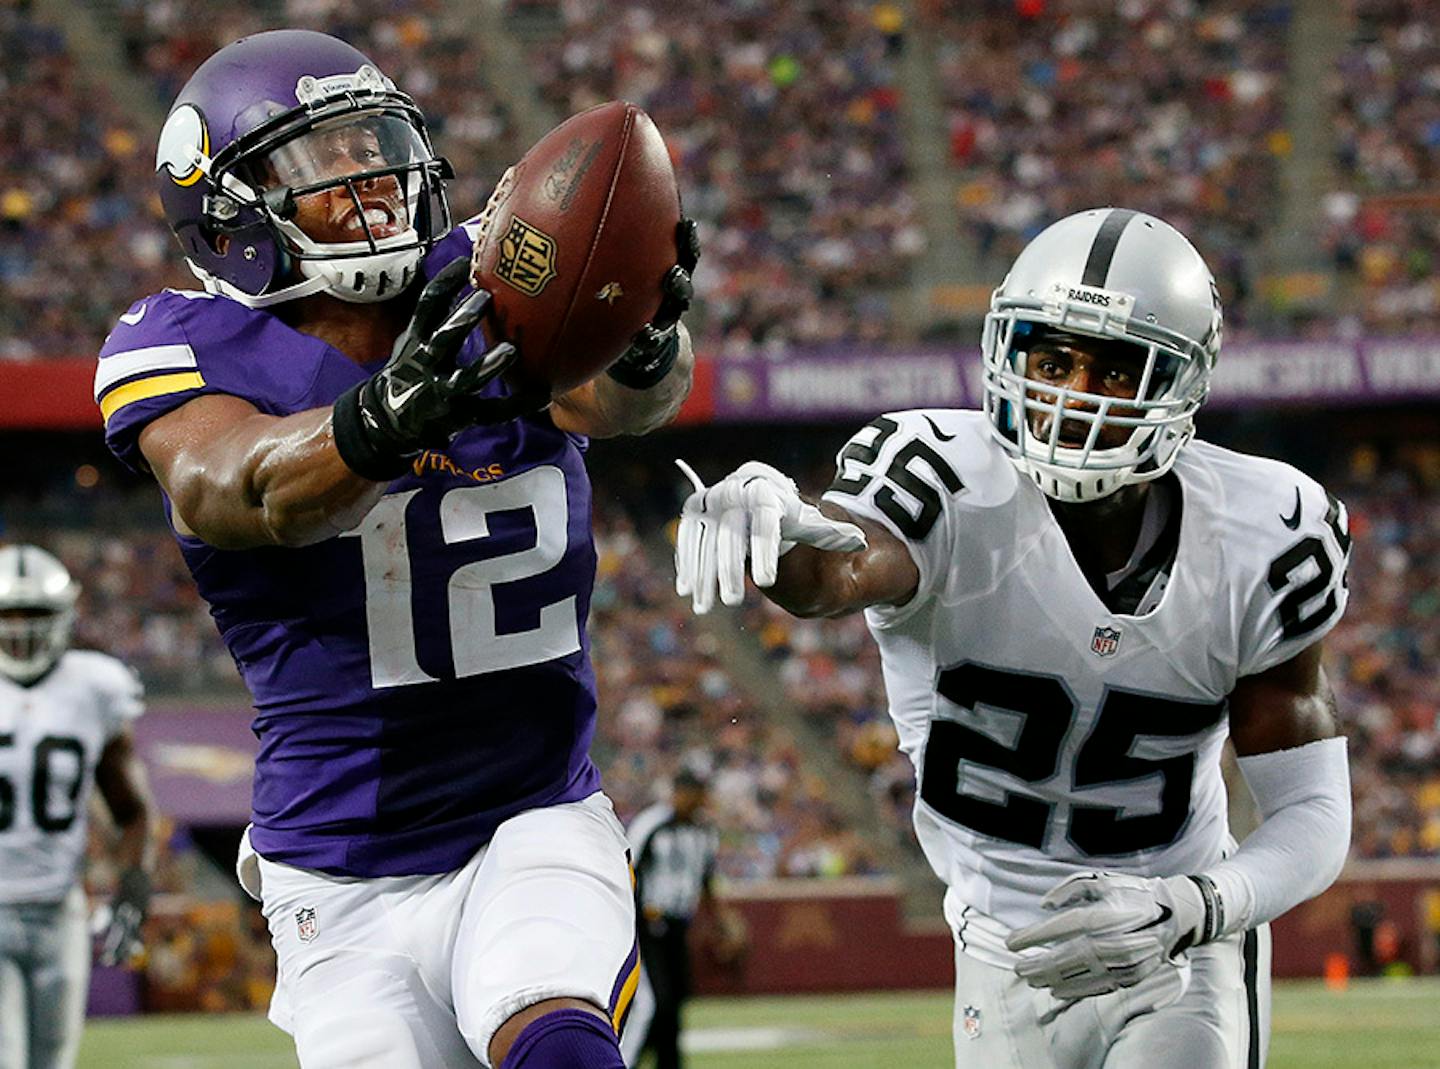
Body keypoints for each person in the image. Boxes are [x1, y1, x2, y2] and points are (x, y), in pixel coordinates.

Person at [96, 30, 697, 1069]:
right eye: (321, 163)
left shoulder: (489, 279)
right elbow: (235, 487)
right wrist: (381, 420)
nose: (369, 180)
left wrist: (635, 336)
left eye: (376, 144)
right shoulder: (180, 343)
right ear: (230, 215)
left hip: (530, 813)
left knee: (557, 1044)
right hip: (336, 867)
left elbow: (624, 404)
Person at [675, 208, 1353, 1068]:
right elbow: (835, 571)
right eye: (1053, 358)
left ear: (1178, 380)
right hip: (999, 955)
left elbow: (1314, 810)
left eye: (1113, 367)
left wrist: (1197, 904)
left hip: (1172, 946)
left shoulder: (1266, 533)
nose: (1072, 392)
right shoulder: (948, 483)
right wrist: (778, 523)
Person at [0, 545, 156, 1069]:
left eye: (35, 614)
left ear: (64, 614)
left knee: (53, 1063)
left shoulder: (93, 686)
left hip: (61, 908)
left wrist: (133, 884)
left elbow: (131, 809)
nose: (21, 630)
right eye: (8, 615)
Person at [619, 768, 743, 1069]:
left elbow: (706, 880)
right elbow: (626, 871)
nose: (693, 800)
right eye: (689, 793)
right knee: (651, 1003)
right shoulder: (652, 824)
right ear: (676, 791)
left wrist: (721, 922)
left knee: (675, 1001)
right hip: (646, 926)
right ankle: (620, 1062)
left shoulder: (703, 831)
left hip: (677, 926)